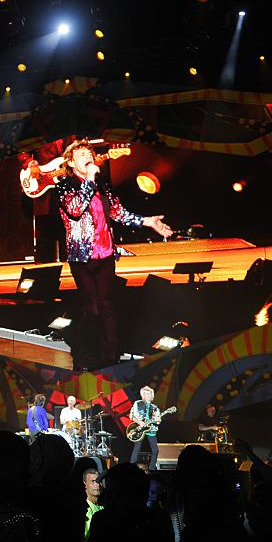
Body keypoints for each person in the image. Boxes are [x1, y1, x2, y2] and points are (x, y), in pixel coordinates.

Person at [55, 139, 171, 370]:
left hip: (105, 254)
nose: (87, 156)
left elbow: (118, 212)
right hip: (82, 257)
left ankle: (109, 360)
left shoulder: (103, 184)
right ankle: (83, 357)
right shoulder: (65, 186)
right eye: (81, 155)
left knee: (107, 307)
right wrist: (89, 179)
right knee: (93, 308)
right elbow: (76, 209)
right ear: (70, 162)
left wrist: (147, 222)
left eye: (89, 152)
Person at [129, 386, 163, 471]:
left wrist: (158, 421)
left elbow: (158, 421)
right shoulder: (138, 403)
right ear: (143, 395)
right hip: (140, 428)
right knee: (137, 448)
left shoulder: (155, 407)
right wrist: (140, 422)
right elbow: (131, 416)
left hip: (151, 429)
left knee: (155, 449)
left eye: (150, 394)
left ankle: (151, 468)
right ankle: (131, 467)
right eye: (146, 394)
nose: (148, 395)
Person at [83, 467, 104, 538]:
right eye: (93, 481)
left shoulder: (104, 505)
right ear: (84, 484)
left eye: (99, 481)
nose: (97, 484)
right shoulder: (85, 510)